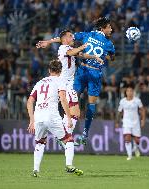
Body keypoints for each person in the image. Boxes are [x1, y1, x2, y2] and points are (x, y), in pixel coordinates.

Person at [36, 17, 115, 145]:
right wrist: (103, 55)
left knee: (72, 101)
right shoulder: (109, 44)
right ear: (102, 28)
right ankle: (81, 134)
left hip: (82, 70)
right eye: (109, 27)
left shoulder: (87, 35)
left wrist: (49, 42)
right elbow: (112, 58)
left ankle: (65, 132)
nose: (111, 29)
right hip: (93, 73)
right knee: (88, 104)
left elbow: (64, 40)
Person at [27, 59, 83, 177]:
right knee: (69, 140)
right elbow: (63, 98)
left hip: (38, 116)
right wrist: (68, 118)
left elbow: (30, 101)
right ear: (61, 70)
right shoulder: (60, 80)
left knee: (40, 142)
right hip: (51, 115)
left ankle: (35, 170)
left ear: (49, 70)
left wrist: (32, 120)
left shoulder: (40, 82)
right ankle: (69, 165)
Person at [54, 29, 103, 146]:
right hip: (65, 84)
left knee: (71, 113)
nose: (73, 38)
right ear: (65, 39)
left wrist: (94, 57)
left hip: (68, 84)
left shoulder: (70, 49)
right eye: (71, 36)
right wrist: (83, 46)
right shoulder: (63, 48)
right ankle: (64, 137)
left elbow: (81, 54)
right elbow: (73, 52)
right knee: (75, 113)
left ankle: (64, 137)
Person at [115, 84, 146, 160]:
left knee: (137, 140)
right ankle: (129, 155)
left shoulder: (137, 100)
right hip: (126, 122)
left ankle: (136, 148)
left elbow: (142, 110)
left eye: (131, 91)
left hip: (136, 122)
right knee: (127, 137)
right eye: (128, 91)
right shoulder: (122, 101)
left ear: (133, 92)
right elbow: (119, 112)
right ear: (126, 92)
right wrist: (117, 122)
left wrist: (143, 120)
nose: (129, 92)